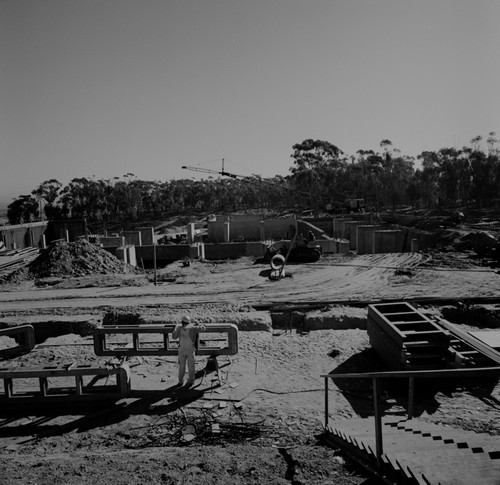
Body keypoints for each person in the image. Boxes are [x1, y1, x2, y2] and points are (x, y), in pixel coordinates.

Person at [172, 315, 206, 386]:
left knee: (181, 366)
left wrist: (175, 327)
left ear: (182, 322)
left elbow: (174, 337)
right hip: (190, 349)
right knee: (191, 366)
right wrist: (198, 324)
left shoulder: (179, 328)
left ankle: (180, 381)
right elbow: (203, 328)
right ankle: (191, 381)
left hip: (181, 349)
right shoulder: (193, 328)